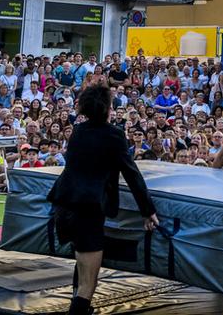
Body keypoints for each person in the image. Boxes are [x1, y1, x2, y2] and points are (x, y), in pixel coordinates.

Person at [47, 83, 158, 315]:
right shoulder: (114, 135)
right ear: (108, 108)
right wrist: (147, 210)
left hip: (64, 204)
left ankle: (79, 308)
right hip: (87, 208)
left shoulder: (78, 131)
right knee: (89, 282)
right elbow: (131, 173)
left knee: (82, 266)